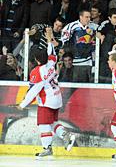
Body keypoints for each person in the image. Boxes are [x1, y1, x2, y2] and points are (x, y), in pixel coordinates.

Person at [17, 29, 75, 157]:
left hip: (47, 101)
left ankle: (47, 147)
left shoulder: (37, 71)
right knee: (51, 122)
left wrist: (22, 104)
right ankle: (66, 135)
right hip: (56, 98)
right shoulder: (51, 63)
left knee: (43, 124)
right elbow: (51, 52)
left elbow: (33, 91)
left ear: (37, 60)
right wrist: (49, 38)